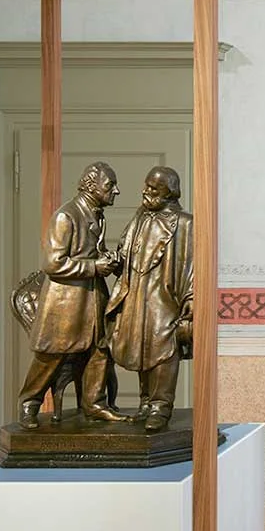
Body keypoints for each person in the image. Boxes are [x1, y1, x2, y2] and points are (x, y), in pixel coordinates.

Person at [15, 161, 130, 429]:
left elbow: (93, 251)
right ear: (91, 186)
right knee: (52, 355)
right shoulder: (66, 216)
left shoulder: (96, 214)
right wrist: (94, 267)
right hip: (66, 302)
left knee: (100, 349)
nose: (116, 191)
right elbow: (53, 263)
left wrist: (108, 259)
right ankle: (29, 403)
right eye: (110, 185)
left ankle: (94, 404)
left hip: (93, 297)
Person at [107, 165, 194, 434]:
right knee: (139, 346)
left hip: (164, 295)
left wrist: (191, 297)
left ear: (169, 191)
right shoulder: (140, 217)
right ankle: (145, 402)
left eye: (154, 188)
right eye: (146, 186)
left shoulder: (185, 223)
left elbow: (194, 263)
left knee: (163, 347)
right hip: (136, 292)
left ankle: (160, 406)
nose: (146, 192)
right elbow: (126, 248)